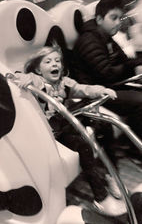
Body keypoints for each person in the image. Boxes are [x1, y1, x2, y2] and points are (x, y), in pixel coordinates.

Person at [15, 43, 127, 216]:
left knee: (104, 126)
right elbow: (20, 77)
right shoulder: (37, 81)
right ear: (38, 69)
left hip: (66, 120)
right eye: (48, 62)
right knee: (84, 146)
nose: (55, 64)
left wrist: (101, 90)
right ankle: (100, 196)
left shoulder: (65, 83)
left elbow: (83, 89)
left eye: (57, 61)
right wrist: (23, 78)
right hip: (52, 130)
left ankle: (110, 175)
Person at [72, 0, 142, 142]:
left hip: (110, 88)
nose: (118, 23)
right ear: (99, 19)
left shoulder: (106, 38)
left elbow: (125, 62)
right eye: (113, 18)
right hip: (96, 94)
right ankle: (135, 147)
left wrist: (133, 64)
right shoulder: (88, 40)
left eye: (120, 18)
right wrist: (126, 66)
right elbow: (107, 73)